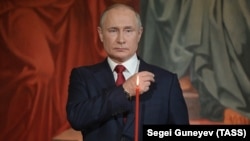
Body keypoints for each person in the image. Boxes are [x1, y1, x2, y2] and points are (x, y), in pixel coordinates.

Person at [66, 3, 189, 141]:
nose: (121, 39)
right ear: (101, 34)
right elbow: (76, 118)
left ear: (139, 34)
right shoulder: (83, 77)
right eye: (113, 30)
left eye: (128, 30)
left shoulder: (167, 81)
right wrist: (124, 91)